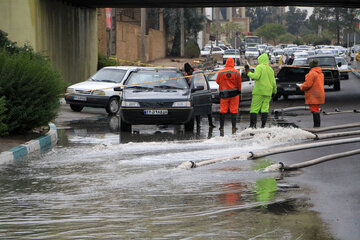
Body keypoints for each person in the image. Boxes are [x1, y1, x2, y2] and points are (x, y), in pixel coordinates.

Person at [245, 53, 277, 128]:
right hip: (268, 92)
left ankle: (253, 126)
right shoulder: (270, 69)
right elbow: (273, 82)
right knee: (265, 108)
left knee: (254, 109)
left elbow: (255, 76)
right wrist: (274, 91)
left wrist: (248, 72)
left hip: (259, 91)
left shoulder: (259, 67)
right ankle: (263, 126)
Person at [184, 63, 216, 128]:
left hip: (203, 90)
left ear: (190, 69)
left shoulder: (197, 72)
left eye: (189, 71)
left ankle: (210, 123)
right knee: (197, 109)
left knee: (208, 109)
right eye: (187, 72)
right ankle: (198, 124)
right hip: (195, 93)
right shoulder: (187, 75)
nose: (188, 73)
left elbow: (201, 82)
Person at [215, 58, 242, 133]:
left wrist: (224, 85)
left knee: (223, 110)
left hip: (224, 94)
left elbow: (217, 81)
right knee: (234, 110)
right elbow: (239, 83)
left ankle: (221, 127)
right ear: (233, 63)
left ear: (226, 63)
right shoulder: (236, 72)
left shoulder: (221, 72)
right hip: (234, 94)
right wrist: (239, 90)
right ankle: (233, 127)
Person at [298, 59, 324, 128]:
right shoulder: (320, 73)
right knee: (317, 109)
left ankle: (316, 126)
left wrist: (301, 87)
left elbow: (308, 85)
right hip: (319, 93)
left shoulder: (312, 73)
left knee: (314, 110)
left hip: (313, 94)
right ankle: (317, 125)